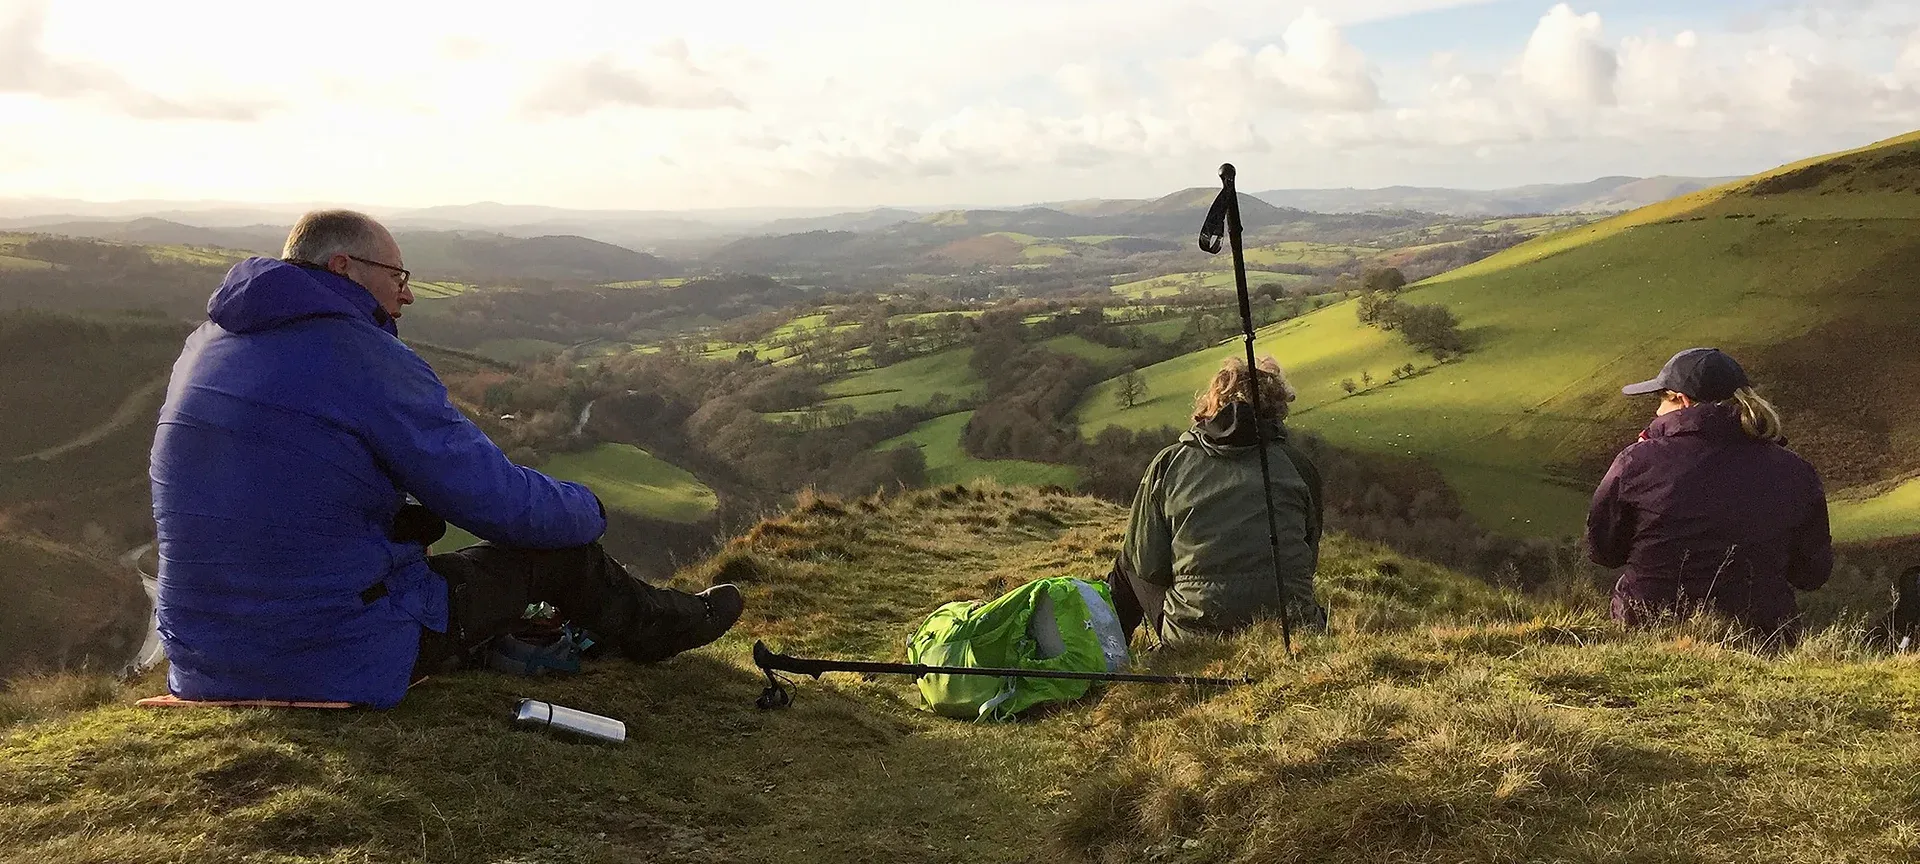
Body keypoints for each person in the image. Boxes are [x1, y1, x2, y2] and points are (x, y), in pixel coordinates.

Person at [149, 210, 743, 709]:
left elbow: (275, 489)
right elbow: (500, 502)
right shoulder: (363, 356)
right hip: (325, 651)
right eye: (398, 276)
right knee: (561, 553)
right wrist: (590, 507)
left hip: (204, 654)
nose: (406, 293)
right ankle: (659, 630)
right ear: (342, 269)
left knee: (429, 543)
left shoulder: (207, 343)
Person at [1586, 347, 1831, 638]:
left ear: (1683, 400)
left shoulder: (1635, 462)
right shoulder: (1796, 472)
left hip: (1648, 634)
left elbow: (1603, 552)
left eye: (1662, 399)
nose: (1657, 411)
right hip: (1761, 641)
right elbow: (1812, 574)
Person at [1106, 356, 1326, 645]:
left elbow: (1146, 565)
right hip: (1291, 628)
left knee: (1128, 563)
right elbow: (1308, 556)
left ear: (1210, 404)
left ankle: (1109, 647)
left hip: (1193, 635)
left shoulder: (1170, 463)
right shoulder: (1298, 465)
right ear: (1278, 408)